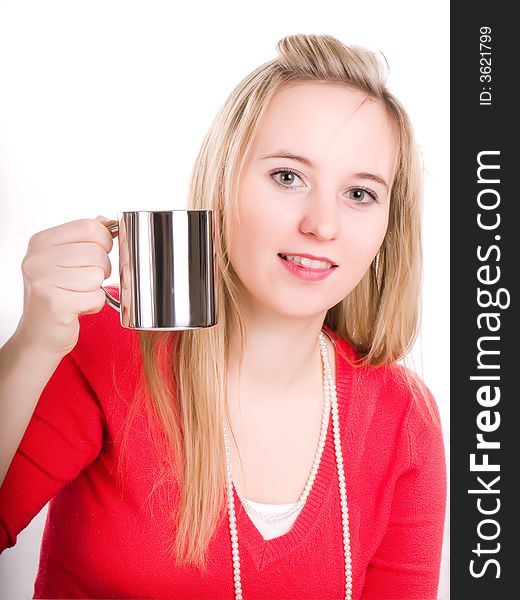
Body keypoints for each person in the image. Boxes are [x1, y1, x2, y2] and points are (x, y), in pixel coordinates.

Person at [0, 34, 446, 599]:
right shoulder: (100, 348)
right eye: (288, 177)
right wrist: (33, 344)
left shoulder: (403, 418)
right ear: (222, 183)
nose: (322, 225)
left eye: (360, 193)